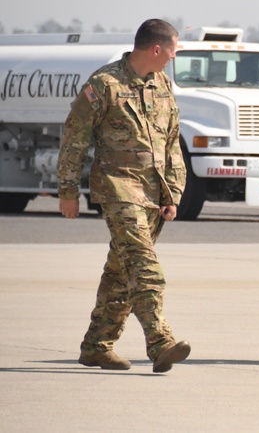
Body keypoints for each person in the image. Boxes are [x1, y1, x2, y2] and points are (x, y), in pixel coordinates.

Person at [58, 18, 191, 373]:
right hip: (118, 188)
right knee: (145, 268)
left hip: (153, 192)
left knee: (121, 272)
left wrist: (173, 191)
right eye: (174, 49)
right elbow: (75, 137)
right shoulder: (104, 84)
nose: (175, 56)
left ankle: (96, 346)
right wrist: (68, 190)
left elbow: (172, 140)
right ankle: (159, 341)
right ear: (157, 48)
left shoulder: (162, 84)